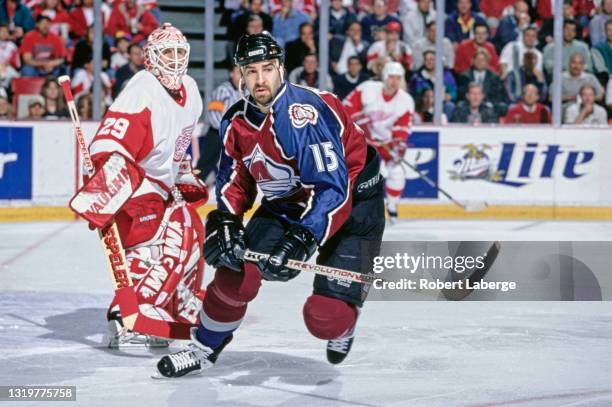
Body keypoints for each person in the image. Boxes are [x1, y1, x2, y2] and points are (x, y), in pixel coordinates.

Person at [156, 32, 385, 377]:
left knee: (325, 317)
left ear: (281, 68)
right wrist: (228, 220)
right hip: (290, 203)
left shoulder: (303, 114)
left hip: (353, 205)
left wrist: (303, 238)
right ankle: (203, 348)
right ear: (240, 75)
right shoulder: (235, 121)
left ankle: (346, 317)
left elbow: (333, 190)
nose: (260, 79)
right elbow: (235, 181)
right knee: (235, 272)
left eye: (267, 68)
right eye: (251, 71)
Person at [83, 23, 208, 347]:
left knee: (194, 228)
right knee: (171, 232)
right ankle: (131, 311)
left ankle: (177, 306)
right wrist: (101, 188)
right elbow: (109, 144)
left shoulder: (191, 91)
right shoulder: (143, 87)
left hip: (159, 188)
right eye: (167, 52)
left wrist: (182, 177)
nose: (175, 59)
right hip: (133, 187)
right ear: (151, 57)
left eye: (180, 52)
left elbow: (178, 149)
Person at [343, 61, 414, 220]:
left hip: (386, 142)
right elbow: (347, 107)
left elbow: (402, 127)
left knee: (397, 172)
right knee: (370, 174)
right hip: (363, 141)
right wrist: (360, 124)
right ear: (384, 77)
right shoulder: (368, 88)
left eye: (398, 78)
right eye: (391, 77)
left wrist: (399, 147)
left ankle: (393, 207)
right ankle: (360, 208)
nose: (394, 81)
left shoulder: (406, 100)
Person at [196, 63, 241, 184]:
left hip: (234, 135)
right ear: (231, 74)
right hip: (217, 133)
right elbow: (213, 114)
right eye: (238, 72)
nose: (241, 76)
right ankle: (194, 189)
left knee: (234, 166)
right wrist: (225, 130)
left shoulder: (244, 92)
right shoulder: (222, 90)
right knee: (206, 163)